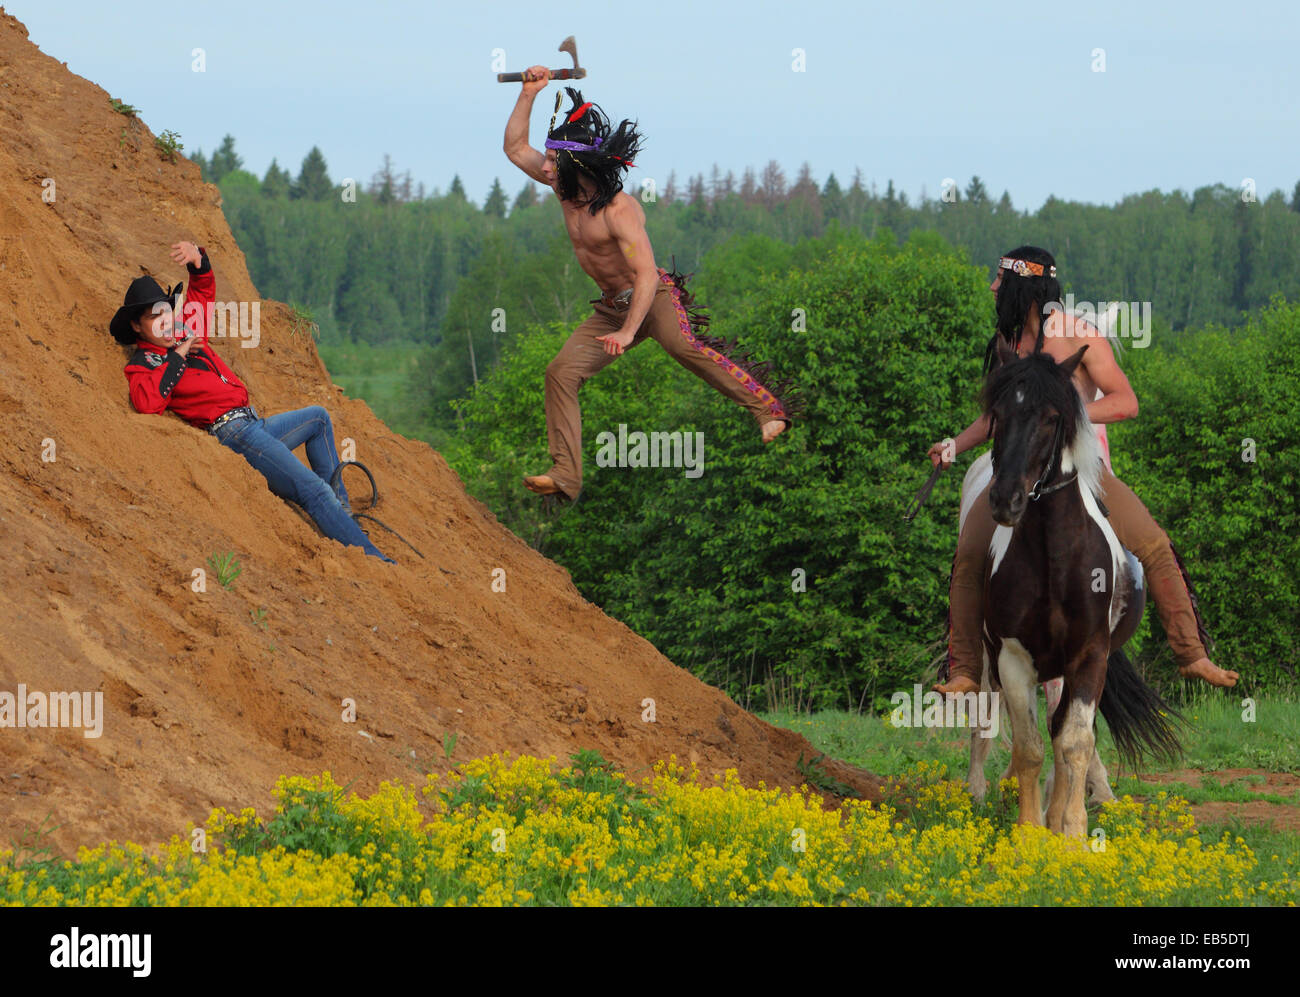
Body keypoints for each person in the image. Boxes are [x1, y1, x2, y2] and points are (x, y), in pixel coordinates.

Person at [927, 246, 1237, 694]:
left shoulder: (1076, 334)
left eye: (1000, 280)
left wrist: (1064, 414)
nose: (993, 288)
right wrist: (954, 445)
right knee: (969, 555)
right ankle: (965, 672)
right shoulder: (1011, 346)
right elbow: (997, 417)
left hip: (1081, 471)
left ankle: (1192, 656)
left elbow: (1126, 402)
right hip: (1021, 471)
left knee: (1152, 543)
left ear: (1024, 288)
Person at [504, 70, 797, 501]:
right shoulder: (561, 187)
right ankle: (566, 475)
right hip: (611, 307)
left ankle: (767, 410)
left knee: (683, 346)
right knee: (560, 373)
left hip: (651, 297)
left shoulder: (619, 211)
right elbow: (514, 148)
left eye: (552, 160)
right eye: (546, 158)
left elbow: (645, 274)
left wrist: (627, 331)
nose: (544, 167)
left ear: (575, 164)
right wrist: (529, 93)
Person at [110, 241, 393, 562]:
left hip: (252, 424)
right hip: (233, 433)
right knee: (314, 491)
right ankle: (374, 559)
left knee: (318, 418)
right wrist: (178, 355)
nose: (164, 320)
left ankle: (342, 517)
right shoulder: (144, 362)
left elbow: (202, 292)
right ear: (137, 325)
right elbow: (148, 403)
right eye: (153, 317)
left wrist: (197, 261)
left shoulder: (182, 330)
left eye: (166, 311)